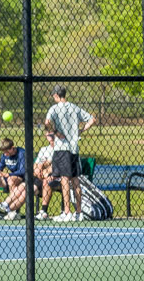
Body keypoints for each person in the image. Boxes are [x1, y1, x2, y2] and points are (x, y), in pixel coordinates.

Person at [43, 85, 96, 222]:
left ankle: (66, 212)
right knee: (75, 179)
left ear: (56, 95)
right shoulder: (74, 107)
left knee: (65, 179)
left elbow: (47, 122)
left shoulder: (54, 109)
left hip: (61, 148)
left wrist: (55, 132)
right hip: (73, 148)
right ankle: (78, 212)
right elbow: (92, 119)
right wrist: (81, 131)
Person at [32, 130, 63, 220]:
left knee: (46, 181)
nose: (50, 135)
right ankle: (14, 211)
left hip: (59, 178)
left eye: (52, 133)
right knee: (30, 188)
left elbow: (57, 165)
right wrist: (37, 170)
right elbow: (37, 164)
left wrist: (47, 171)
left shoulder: (61, 148)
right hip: (42, 177)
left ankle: (43, 211)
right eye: (48, 133)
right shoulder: (44, 149)